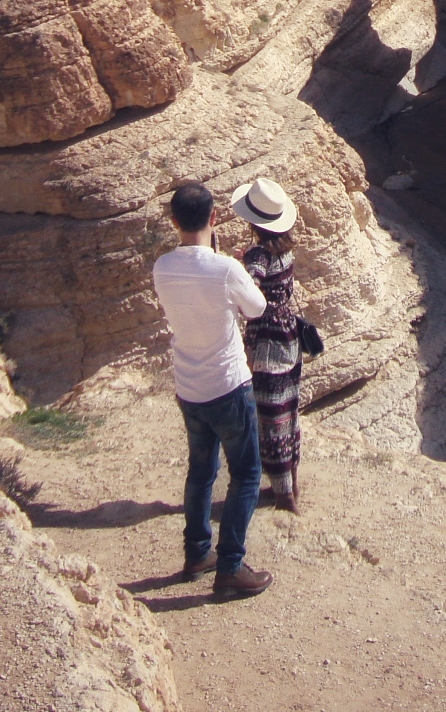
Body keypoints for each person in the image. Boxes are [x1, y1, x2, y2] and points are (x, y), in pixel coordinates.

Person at [151, 180, 273, 598]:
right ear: (214, 217)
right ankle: (230, 569)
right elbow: (256, 308)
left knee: (201, 473)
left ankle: (196, 553)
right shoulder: (225, 269)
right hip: (228, 385)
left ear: (173, 222)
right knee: (246, 474)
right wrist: (228, 264)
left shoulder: (162, 266)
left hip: (188, 387)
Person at [231, 176, 303, 513]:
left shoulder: (258, 254)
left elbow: (252, 293)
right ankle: (291, 480)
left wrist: (241, 271)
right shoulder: (286, 250)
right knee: (288, 410)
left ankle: (283, 495)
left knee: (271, 414)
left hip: (268, 341)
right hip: (289, 333)